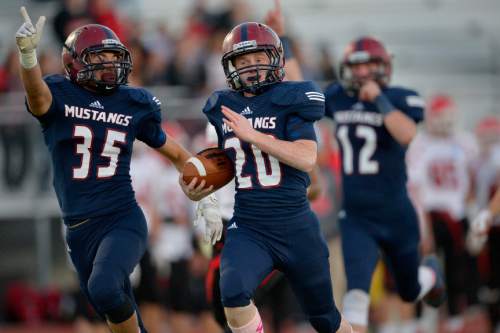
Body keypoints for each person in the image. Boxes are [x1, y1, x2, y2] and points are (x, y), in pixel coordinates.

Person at [15, 7, 222, 333]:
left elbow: (177, 153)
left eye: (114, 57)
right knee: (110, 307)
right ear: (77, 62)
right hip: (78, 229)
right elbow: (38, 98)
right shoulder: (60, 93)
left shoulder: (133, 102)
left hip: (121, 218)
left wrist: (206, 195)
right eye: (100, 58)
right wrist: (29, 59)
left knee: (106, 288)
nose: (110, 64)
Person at [180, 21, 353, 333]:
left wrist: (255, 135)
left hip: (296, 225)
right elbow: (219, 167)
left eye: (258, 58)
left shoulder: (294, 97)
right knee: (231, 293)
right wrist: (197, 190)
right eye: (242, 61)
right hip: (249, 225)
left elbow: (306, 156)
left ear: (275, 58)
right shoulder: (222, 106)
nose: (251, 67)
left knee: (325, 319)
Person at [323, 36, 446, 333]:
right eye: (357, 66)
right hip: (356, 216)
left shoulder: (402, 97)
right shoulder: (338, 96)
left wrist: (379, 99)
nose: (362, 72)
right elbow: (302, 94)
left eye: (369, 65)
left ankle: (429, 276)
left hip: (396, 214)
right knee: (356, 291)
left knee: (408, 291)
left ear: (383, 67)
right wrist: (284, 42)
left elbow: (406, 134)